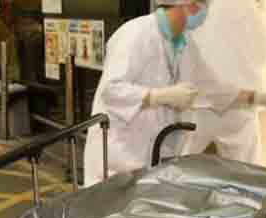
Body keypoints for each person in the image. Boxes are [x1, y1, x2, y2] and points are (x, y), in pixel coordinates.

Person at [82, 0, 208, 187]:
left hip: (157, 152)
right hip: (120, 155)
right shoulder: (135, 33)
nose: (203, 12)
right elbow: (111, 89)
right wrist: (158, 96)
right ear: (185, 4)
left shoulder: (184, 42)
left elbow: (201, 82)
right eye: (200, 4)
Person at [179, 0, 266, 164]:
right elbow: (264, 49)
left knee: (176, 164)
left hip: (199, 102)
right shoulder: (247, 6)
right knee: (247, 170)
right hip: (239, 104)